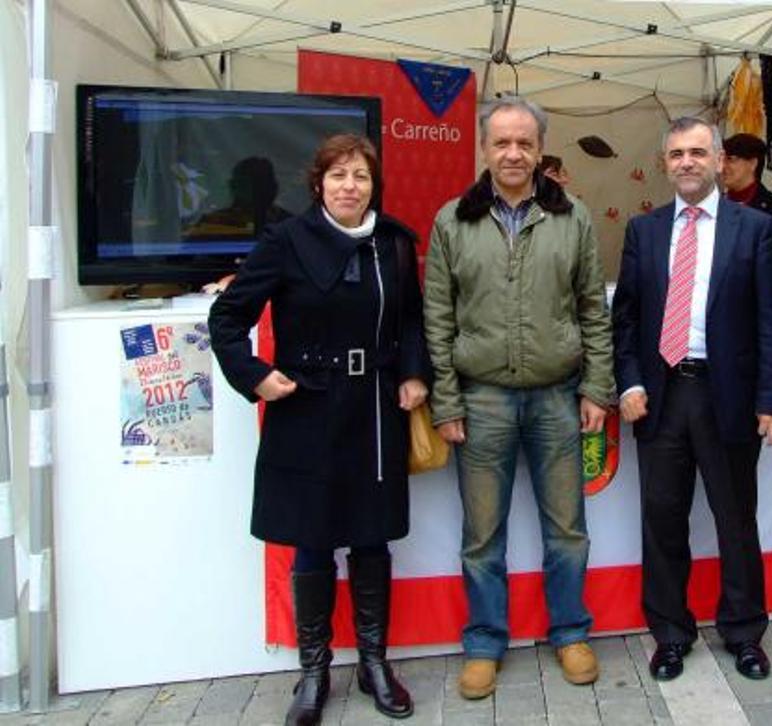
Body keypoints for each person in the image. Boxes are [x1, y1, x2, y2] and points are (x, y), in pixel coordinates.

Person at [209, 134, 429, 725]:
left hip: (375, 407)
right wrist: (255, 376)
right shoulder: (285, 242)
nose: (350, 187)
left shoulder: (393, 243)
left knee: (371, 537)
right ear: (318, 184)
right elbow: (227, 318)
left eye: (360, 176)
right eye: (338, 177)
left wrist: (413, 374)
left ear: (372, 184)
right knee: (311, 539)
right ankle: (314, 671)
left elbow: (411, 320)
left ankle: (375, 663)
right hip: (306, 405)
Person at [423, 95, 614, 699]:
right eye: (501, 142)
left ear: (538, 149)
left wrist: (597, 387)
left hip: (558, 397)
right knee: (482, 535)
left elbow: (592, 309)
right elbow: (438, 318)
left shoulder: (572, 217)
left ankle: (571, 632)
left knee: (568, 529)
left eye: (524, 143)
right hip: (481, 402)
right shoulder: (453, 220)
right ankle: (483, 642)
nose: (513, 153)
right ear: (484, 148)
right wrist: (447, 401)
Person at [611, 117, 772, 683]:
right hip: (662, 397)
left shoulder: (757, 228)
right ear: (665, 164)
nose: (685, 162)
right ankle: (669, 633)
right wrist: (630, 382)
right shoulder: (644, 231)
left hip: (729, 396)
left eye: (696, 152)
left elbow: (771, 322)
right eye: (675, 154)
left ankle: (743, 632)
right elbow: (627, 320)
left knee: (735, 519)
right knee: (662, 519)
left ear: (719, 161)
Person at [721, 132, 772, 274]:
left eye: (731, 159)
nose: (723, 167)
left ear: (753, 164)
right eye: (722, 160)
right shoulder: (713, 205)